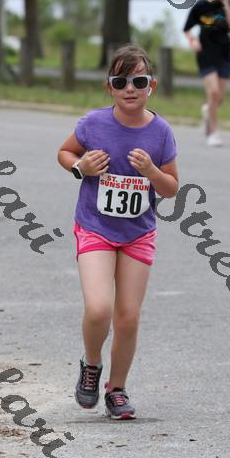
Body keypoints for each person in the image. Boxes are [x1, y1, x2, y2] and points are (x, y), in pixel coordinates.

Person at [57, 44, 179, 420]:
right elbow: (65, 153)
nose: (130, 88)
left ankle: (118, 389)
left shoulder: (161, 132)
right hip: (95, 227)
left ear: (151, 86)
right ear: (109, 86)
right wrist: (81, 167)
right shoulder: (93, 123)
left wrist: (152, 172)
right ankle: (91, 364)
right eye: (121, 81)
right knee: (98, 309)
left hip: (138, 233)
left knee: (127, 317)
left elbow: (171, 187)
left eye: (139, 81)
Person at [183, 0, 230, 147]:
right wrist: (193, 41)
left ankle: (208, 109)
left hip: (224, 55)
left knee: (219, 98)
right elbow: (187, 29)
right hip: (206, 55)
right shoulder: (200, 6)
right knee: (214, 92)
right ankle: (213, 132)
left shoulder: (229, 4)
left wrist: (226, 5)